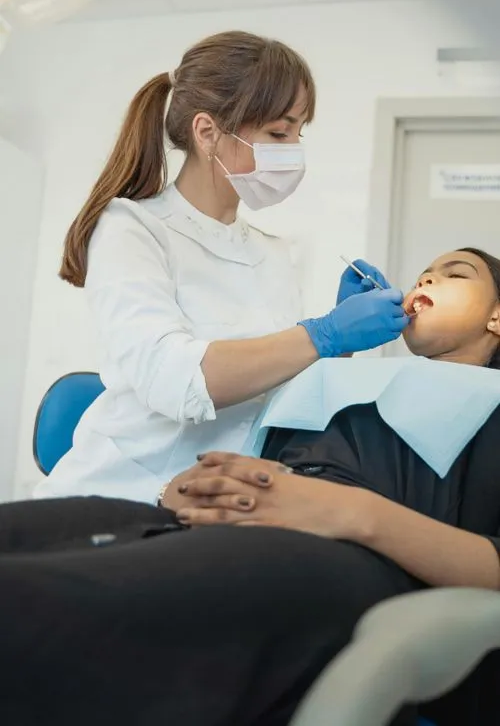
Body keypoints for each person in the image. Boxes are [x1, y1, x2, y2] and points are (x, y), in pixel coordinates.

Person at [2, 247, 499, 726]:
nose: (425, 279)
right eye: (424, 272)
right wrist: (194, 486)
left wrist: (352, 513)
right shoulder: (347, 380)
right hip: (218, 528)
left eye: (454, 273)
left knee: (31, 606)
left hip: (350, 564)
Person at [34, 30, 408, 505]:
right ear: (207, 132)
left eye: (299, 131)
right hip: (123, 496)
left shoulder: (272, 252)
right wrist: (322, 334)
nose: (293, 148)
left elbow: (274, 390)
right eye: (278, 132)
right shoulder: (134, 228)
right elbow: (174, 381)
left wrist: (335, 349)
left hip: (222, 498)